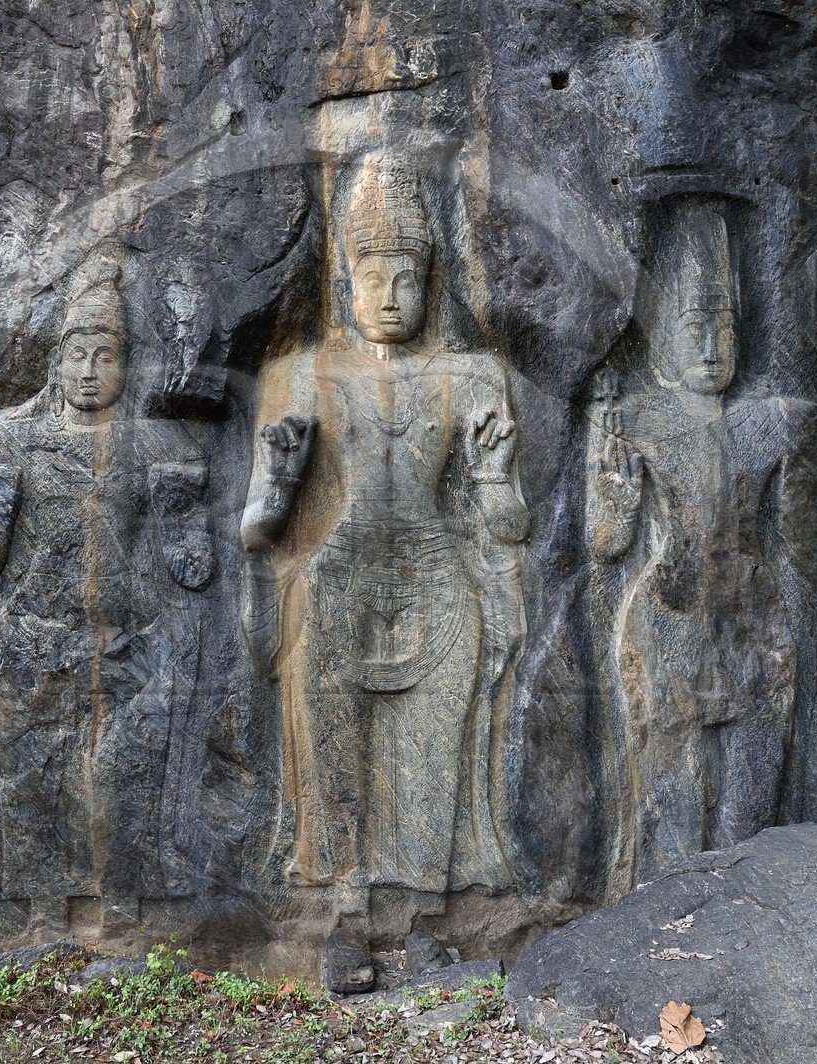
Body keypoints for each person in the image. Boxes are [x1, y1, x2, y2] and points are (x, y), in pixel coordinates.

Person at [240, 153, 529, 916]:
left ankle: (428, 908)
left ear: (430, 280)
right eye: (373, 278)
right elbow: (255, 532)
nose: (391, 296)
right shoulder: (301, 377)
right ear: (346, 282)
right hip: (338, 583)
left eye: (406, 278)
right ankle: (345, 907)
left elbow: (510, 527)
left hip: (439, 587)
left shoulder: (473, 378)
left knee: (432, 761)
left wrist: (493, 476)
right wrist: (279, 487)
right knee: (338, 760)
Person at [586, 205, 817, 895]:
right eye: (692, 325)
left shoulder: (771, 421)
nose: (710, 344)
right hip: (668, 626)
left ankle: (747, 914)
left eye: (722, 324)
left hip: (755, 626)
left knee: (752, 813)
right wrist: (615, 483)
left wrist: (808, 472)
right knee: (673, 815)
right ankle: (664, 917)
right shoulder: (637, 420)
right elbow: (607, 543)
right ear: (661, 335)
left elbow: (811, 552)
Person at [0, 261, 213, 917]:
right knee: (36, 783)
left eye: (106, 357)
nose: (91, 371)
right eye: (77, 356)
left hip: (125, 648)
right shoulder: (9, 442)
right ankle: (43, 917)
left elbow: (192, 569)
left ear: (127, 366)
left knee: (124, 780)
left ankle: (128, 909)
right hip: (33, 645)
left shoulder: (157, 444)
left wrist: (182, 502)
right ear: (55, 364)